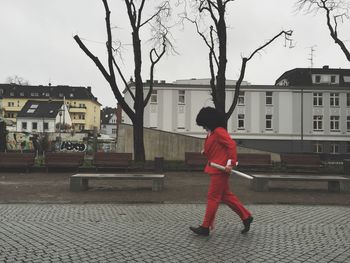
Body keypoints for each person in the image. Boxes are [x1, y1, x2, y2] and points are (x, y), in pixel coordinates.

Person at [189, 107, 253, 236]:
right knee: (226, 196)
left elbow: (231, 145)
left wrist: (230, 163)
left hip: (220, 170)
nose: (203, 127)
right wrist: (205, 151)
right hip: (216, 168)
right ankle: (246, 216)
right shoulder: (212, 133)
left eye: (203, 124)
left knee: (213, 198)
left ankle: (205, 227)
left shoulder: (218, 131)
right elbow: (215, 148)